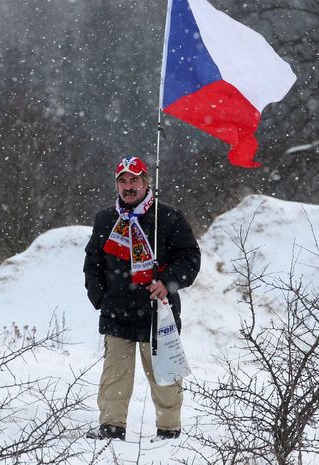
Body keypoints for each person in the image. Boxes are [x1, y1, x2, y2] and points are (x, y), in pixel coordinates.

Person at [83, 155, 201, 441]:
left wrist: (167, 282)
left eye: (134, 180)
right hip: (116, 313)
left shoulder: (168, 217)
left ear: (146, 182)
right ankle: (111, 428)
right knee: (115, 376)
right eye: (123, 181)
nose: (128, 186)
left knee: (165, 375)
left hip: (157, 311)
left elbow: (190, 258)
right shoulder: (106, 219)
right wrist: (101, 299)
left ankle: (168, 431)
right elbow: (93, 263)